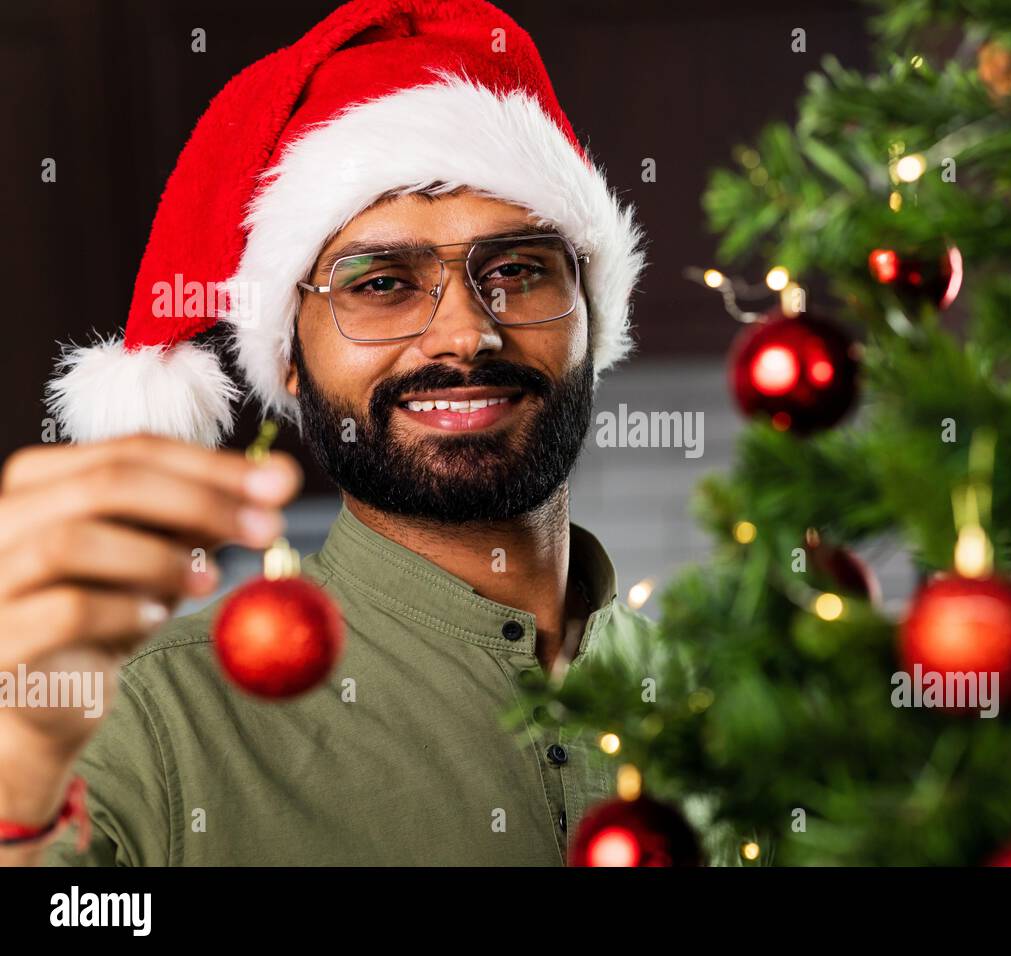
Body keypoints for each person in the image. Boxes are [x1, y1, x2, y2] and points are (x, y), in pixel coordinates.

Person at [0, 0, 653, 866]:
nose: (466, 333)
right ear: (292, 357)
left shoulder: (756, 673)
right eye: (381, 283)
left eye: (519, 269)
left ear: (591, 316)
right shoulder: (140, 721)